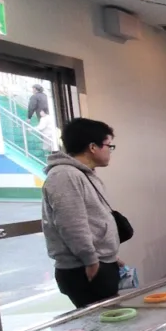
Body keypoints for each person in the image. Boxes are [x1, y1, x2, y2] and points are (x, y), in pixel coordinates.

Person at [41, 118, 122, 308]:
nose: (110, 151)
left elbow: (93, 219)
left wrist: (110, 256)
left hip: (97, 263)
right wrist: (91, 260)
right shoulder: (65, 175)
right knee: (102, 327)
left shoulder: (83, 174)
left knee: (112, 321)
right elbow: (71, 224)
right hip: (83, 269)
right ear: (92, 147)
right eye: (108, 146)